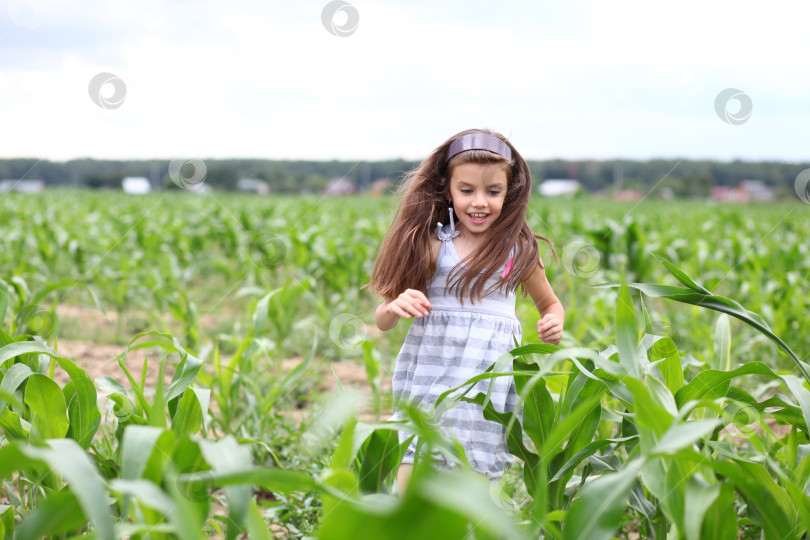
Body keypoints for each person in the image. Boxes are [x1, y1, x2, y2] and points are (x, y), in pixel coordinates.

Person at [365, 128, 564, 493]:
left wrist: (553, 322)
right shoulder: (432, 245)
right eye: (467, 190)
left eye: (493, 192)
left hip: (487, 392)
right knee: (412, 478)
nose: (479, 202)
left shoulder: (518, 253)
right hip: (430, 385)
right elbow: (382, 320)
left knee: (477, 492)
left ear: (509, 193)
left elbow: (549, 304)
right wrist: (394, 306)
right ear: (448, 190)